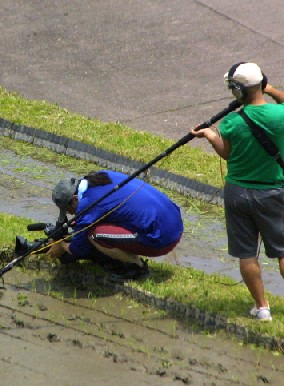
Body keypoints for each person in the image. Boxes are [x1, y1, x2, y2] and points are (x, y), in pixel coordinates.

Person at [191, 62, 284, 321]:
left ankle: (262, 307)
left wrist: (210, 136)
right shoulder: (280, 116)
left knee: (246, 252)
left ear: (237, 91)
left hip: (238, 194)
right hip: (274, 193)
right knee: (282, 250)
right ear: (262, 83)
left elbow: (227, 153)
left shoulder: (231, 122)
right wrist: (272, 90)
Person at [47, 170, 184, 280]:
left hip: (163, 239)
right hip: (175, 222)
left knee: (93, 234)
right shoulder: (102, 176)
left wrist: (62, 246)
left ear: (75, 199)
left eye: (70, 210)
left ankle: (137, 268)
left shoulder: (88, 203)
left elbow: (78, 249)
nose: (71, 215)